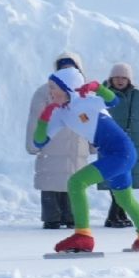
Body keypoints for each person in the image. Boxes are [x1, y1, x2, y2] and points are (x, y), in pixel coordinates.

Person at [32, 64, 139, 254]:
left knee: (76, 182)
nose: (50, 92)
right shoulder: (60, 113)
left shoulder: (86, 101)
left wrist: (97, 87)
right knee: (124, 198)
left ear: (67, 87)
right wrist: (44, 118)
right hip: (111, 154)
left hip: (122, 151)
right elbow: (39, 141)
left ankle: (83, 236)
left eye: (53, 87)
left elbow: (114, 101)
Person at [28, 51, 91, 230]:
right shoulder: (44, 91)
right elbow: (36, 118)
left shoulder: (83, 94)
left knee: (73, 181)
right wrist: (33, 142)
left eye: (71, 67)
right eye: (63, 68)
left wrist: (92, 142)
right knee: (50, 181)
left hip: (76, 145)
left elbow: (89, 118)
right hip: (52, 142)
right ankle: (51, 217)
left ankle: (71, 215)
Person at [99, 64, 139, 229]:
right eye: (117, 77)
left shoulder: (138, 96)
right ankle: (114, 216)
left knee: (126, 179)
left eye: (124, 78)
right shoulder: (104, 96)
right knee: (115, 176)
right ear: (111, 78)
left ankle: (119, 214)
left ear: (129, 80)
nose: (120, 81)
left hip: (133, 143)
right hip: (111, 143)